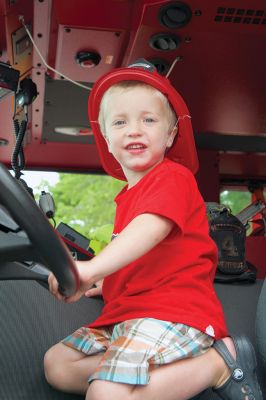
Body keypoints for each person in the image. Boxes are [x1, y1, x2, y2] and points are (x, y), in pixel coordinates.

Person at [44, 59, 262, 400]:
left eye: (148, 120)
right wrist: (109, 280)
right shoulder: (126, 198)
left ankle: (217, 364)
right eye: (120, 122)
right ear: (106, 139)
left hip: (173, 313)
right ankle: (133, 376)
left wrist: (91, 267)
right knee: (57, 365)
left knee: (106, 393)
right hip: (128, 316)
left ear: (170, 134)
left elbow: (151, 229)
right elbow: (140, 251)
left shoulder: (172, 177)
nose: (134, 130)